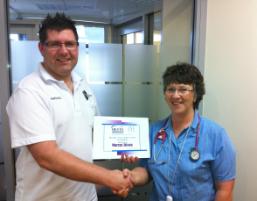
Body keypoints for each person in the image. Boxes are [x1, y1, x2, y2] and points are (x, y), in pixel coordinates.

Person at [6, 13, 132, 201]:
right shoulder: (29, 91)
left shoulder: (82, 85)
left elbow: (96, 132)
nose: (64, 51)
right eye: (55, 44)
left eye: (70, 44)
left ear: (78, 48)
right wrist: (108, 178)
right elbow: (47, 156)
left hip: (86, 196)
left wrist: (124, 147)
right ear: (41, 48)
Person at [120, 62, 236, 201]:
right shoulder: (154, 131)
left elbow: (225, 191)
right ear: (165, 94)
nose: (175, 95)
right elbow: (146, 171)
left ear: (195, 95)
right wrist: (130, 177)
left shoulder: (216, 135)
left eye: (183, 89)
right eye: (171, 89)